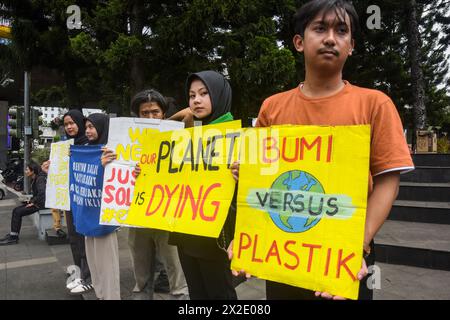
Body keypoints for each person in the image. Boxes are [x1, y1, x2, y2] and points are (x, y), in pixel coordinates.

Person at [230, 0, 414, 300]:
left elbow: (387, 182)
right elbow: (260, 180)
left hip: (345, 254)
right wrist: (248, 232)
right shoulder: (272, 107)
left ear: (351, 45)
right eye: (320, 28)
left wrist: (358, 245)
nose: (331, 37)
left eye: (341, 30)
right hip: (280, 255)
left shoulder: (375, 104)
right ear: (299, 42)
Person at [102, 89, 188, 300]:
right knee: (140, 267)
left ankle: (180, 295)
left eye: (156, 112)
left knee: (174, 265)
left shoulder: (175, 135)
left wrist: (168, 123)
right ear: (137, 116)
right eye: (145, 113)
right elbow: (116, 172)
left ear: (163, 114)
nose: (150, 117)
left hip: (167, 213)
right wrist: (109, 163)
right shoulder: (124, 141)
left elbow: (189, 114)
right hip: (137, 214)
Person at [169, 70, 238, 300]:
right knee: (197, 294)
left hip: (216, 238)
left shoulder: (237, 138)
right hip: (185, 233)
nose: (196, 100)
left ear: (219, 95)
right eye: (191, 95)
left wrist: (244, 174)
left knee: (220, 294)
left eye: (204, 93)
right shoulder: (186, 137)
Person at [76, 113, 121, 300]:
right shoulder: (86, 150)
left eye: (91, 127)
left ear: (102, 128)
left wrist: (102, 165)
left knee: (107, 267)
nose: (87, 131)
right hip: (88, 215)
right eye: (86, 127)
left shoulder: (112, 151)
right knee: (95, 266)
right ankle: (101, 296)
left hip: (104, 219)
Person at [62, 109, 92, 294]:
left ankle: (89, 277)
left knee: (84, 238)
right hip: (69, 197)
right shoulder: (65, 146)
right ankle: (79, 274)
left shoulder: (89, 144)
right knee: (73, 237)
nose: (69, 127)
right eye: (66, 124)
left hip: (85, 199)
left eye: (72, 123)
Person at [0, 161, 47, 245]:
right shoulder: (36, 178)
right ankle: (13, 234)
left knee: (18, 212)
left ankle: (13, 237)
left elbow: (42, 193)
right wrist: (30, 200)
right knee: (16, 210)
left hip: (41, 204)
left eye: (27, 169)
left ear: (32, 171)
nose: (25, 171)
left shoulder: (40, 179)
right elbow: (37, 193)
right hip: (38, 202)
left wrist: (33, 202)